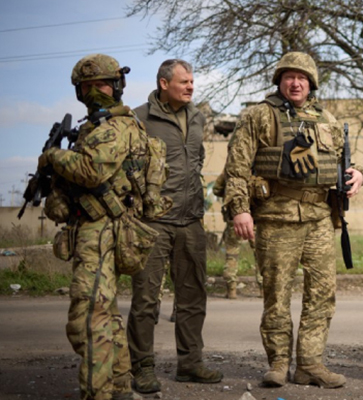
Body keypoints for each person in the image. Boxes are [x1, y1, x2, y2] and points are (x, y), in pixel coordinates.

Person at [224, 51, 363, 389]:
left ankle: (310, 364)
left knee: (322, 294)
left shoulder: (327, 119)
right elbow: (237, 168)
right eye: (289, 76)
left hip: (319, 219)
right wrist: (240, 209)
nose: (296, 82)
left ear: (311, 83)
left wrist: (359, 173)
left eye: (302, 77)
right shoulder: (259, 116)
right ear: (280, 80)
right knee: (276, 295)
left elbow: (345, 162)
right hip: (276, 218)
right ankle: (278, 363)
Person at [38, 53, 151, 400]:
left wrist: (52, 156)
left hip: (103, 230)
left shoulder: (116, 126)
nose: (94, 92)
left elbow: (91, 171)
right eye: (87, 86)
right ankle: (119, 386)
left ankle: (97, 393)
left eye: (101, 84)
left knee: (87, 319)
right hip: (95, 229)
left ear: (117, 85)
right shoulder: (94, 128)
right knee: (105, 313)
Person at [127, 59, 222, 394]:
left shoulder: (197, 117)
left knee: (193, 295)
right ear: (164, 84)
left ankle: (190, 363)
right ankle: (143, 367)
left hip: (191, 219)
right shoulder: (139, 118)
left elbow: (195, 161)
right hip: (152, 222)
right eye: (184, 82)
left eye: (192, 81)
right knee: (146, 300)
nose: (191, 87)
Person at [213, 171, 263, 299]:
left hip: (235, 219)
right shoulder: (258, 170)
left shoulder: (231, 172)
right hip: (255, 219)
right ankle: (263, 289)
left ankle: (232, 289)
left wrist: (228, 194)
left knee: (232, 254)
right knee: (260, 254)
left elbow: (216, 189)